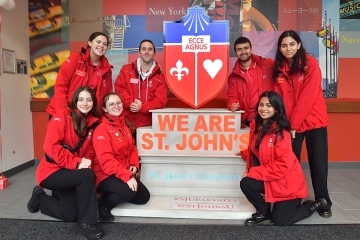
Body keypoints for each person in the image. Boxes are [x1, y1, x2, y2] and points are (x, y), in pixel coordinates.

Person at [240, 91, 327, 226]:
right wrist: (245, 153)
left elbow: (283, 165)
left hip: (288, 185)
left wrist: (253, 172)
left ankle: (311, 206)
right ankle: (263, 213)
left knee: (280, 221)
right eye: (261, 105)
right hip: (273, 179)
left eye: (268, 105)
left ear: (276, 109)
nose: (263, 108)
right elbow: (261, 149)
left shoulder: (282, 133)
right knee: (246, 183)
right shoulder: (256, 126)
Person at [27, 86, 104, 239]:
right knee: (86, 175)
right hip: (51, 171)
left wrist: (84, 164)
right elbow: (50, 147)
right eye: (81, 99)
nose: (85, 103)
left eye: (89, 100)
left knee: (69, 214)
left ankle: (39, 197)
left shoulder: (92, 123)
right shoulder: (62, 116)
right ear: (75, 101)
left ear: (93, 103)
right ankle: (86, 224)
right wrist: (76, 163)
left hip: (69, 173)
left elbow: (88, 154)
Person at [272, 30, 332, 218]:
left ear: (298, 45)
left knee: (318, 164)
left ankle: (324, 202)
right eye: (284, 45)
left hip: (313, 121)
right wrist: (282, 125)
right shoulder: (279, 69)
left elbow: (308, 98)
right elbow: (279, 101)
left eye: (291, 44)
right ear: (280, 48)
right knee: (290, 163)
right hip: (290, 125)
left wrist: (293, 126)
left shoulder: (311, 64)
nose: (288, 48)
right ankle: (292, 200)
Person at [92, 92, 150, 222]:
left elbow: (133, 148)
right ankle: (102, 205)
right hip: (104, 175)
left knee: (143, 197)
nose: (116, 106)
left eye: (118, 103)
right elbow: (106, 161)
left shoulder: (124, 125)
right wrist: (126, 176)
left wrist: (134, 165)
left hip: (122, 171)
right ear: (105, 109)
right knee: (128, 192)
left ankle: (116, 191)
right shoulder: (101, 129)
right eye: (111, 104)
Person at [46, 31, 113, 118]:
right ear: (90, 43)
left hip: (88, 115)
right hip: (65, 111)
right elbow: (61, 86)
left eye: (105, 44)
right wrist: (63, 113)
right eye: (98, 42)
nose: (101, 45)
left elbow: (107, 95)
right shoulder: (76, 59)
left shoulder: (106, 68)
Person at [114, 39, 167, 141]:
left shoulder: (160, 77)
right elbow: (119, 89)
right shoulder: (126, 70)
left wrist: (142, 107)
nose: (146, 52)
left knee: (144, 157)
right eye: (144, 49)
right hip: (125, 123)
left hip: (147, 127)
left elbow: (161, 101)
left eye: (150, 49)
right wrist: (130, 103)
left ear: (154, 53)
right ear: (139, 52)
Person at [226, 37, 274, 128]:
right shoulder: (233, 77)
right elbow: (231, 97)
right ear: (236, 53)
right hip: (247, 120)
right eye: (239, 49)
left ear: (251, 49)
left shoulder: (267, 65)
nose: (243, 52)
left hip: (268, 118)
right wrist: (232, 104)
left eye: (246, 48)